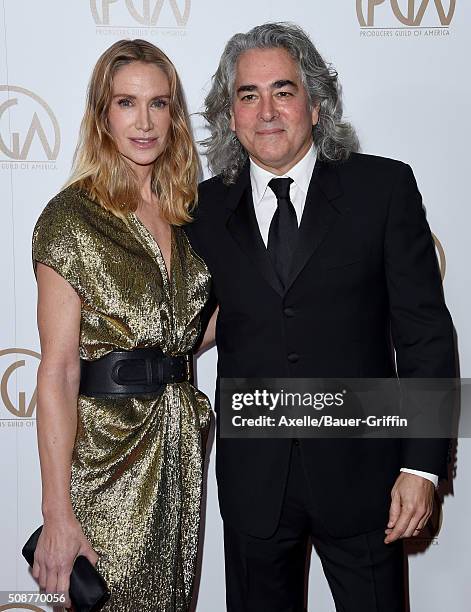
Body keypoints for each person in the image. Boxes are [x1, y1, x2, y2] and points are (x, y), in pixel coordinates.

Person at [185, 22, 456, 611]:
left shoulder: (382, 189)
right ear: (229, 115)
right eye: (247, 95)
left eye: (283, 90)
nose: (267, 111)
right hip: (255, 484)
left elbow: (425, 336)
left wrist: (422, 466)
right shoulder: (203, 211)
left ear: (315, 102)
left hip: (367, 479)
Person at [31, 39, 213, 611]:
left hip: (179, 445)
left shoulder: (188, 213)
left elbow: (186, 334)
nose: (144, 122)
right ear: (101, 114)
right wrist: (57, 513)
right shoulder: (71, 218)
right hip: (107, 456)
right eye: (126, 103)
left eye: (159, 104)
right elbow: (58, 371)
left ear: (174, 115)